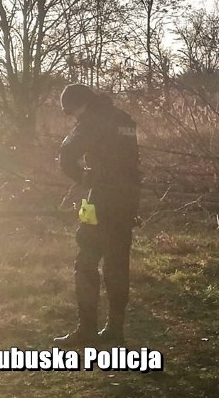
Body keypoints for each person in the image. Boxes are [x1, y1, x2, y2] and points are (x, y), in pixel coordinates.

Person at [55, 84, 140, 346]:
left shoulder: (90, 122)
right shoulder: (124, 120)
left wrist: (82, 177)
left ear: (77, 105)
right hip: (128, 199)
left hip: (99, 199)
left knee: (86, 261)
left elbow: (66, 154)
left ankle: (87, 329)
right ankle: (116, 329)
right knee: (117, 264)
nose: (72, 117)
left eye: (70, 112)